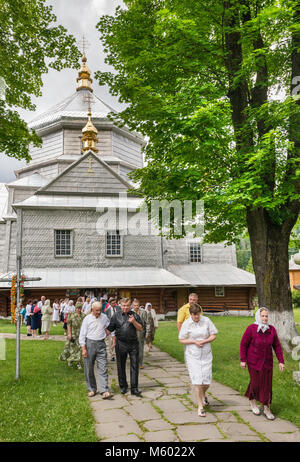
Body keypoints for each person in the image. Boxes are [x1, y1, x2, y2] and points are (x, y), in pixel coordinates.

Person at [240, 307, 285, 420]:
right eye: (262, 316)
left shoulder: (272, 329)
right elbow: (243, 344)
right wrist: (243, 360)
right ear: (258, 316)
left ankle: (267, 408)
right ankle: (253, 402)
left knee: (267, 386)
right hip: (253, 361)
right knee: (255, 384)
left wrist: (281, 361)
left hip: (267, 362)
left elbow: (277, 346)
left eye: (266, 316)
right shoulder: (251, 328)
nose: (265, 318)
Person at [179, 303, 218, 417]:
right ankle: (200, 406)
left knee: (206, 381)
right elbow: (181, 339)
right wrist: (194, 342)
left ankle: (203, 394)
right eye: (194, 315)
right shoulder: (187, 324)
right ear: (191, 314)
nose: (197, 317)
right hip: (193, 355)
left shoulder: (206, 321)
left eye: (198, 315)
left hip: (206, 353)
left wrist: (205, 341)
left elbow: (214, 334)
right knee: (197, 380)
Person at [107, 298, 144, 397]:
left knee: (134, 366)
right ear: (120, 305)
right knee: (121, 366)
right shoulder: (116, 315)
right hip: (121, 343)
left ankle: (134, 388)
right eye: (123, 305)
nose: (125, 307)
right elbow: (109, 328)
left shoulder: (135, 315)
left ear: (130, 306)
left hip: (133, 344)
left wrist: (134, 322)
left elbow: (141, 328)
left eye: (127, 305)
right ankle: (123, 386)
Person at [79, 301, 113, 399]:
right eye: (96, 310)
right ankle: (92, 389)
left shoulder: (104, 317)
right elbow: (82, 335)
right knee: (89, 368)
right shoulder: (87, 319)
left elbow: (109, 326)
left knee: (103, 367)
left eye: (100, 310)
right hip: (90, 344)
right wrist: (83, 349)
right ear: (92, 310)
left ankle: (104, 390)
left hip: (101, 344)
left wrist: (110, 334)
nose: (98, 312)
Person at [60, 303, 85, 369]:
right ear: (75, 308)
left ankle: (78, 362)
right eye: (77, 308)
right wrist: (69, 334)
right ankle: (70, 360)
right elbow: (68, 325)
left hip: (81, 334)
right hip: (73, 333)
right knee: (72, 348)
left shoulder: (84, 315)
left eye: (80, 308)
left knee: (79, 348)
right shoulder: (71, 315)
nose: (78, 310)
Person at [131, 299, 148, 369]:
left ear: (139, 305)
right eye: (134, 305)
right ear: (132, 305)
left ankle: (140, 363)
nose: (136, 307)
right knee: (132, 348)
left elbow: (147, 322)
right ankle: (134, 362)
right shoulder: (130, 312)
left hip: (140, 332)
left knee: (140, 348)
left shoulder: (143, 312)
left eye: (137, 305)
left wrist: (148, 332)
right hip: (131, 332)